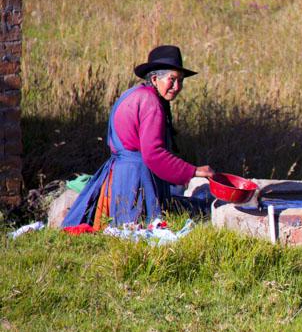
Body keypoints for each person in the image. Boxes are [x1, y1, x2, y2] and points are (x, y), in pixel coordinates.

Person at [61, 45, 216, 229]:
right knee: (142, 228)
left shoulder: (132, 94)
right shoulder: (151, 104)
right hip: (136, 179)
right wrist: (195, 171)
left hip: (120, 177)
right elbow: (154, 154)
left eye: (181, 81)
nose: (177, 87)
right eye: (172, 79)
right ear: (154, 78)